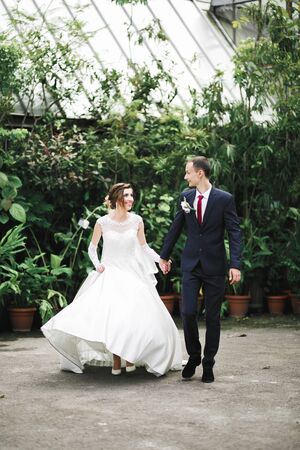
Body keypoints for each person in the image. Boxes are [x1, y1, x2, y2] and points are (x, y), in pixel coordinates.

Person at [41, 183, 182, 376]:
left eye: (132, 195)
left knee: (133, 318)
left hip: (133, 275)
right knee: (114, 317)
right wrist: (97, 264)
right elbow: (92, 248)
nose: (131, 198)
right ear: (117, 198)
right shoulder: (102, 222)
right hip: (110, 274)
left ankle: (130, 357)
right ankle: (117, 360)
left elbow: (144, 248)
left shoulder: (137, 221)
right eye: (127, 195)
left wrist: (162, 260)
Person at [159, 156, 242, 383]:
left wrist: (235, 264)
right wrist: (163, 256)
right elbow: (176, 227)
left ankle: (208, 362)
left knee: (212, 317)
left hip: (215, 266)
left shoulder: (224, 199)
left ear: (200, 174)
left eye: (188, 172)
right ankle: (194, 356)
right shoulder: (185, 197)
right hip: (191, 265)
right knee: (187, 313)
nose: (185, 177)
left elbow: (234, 232)